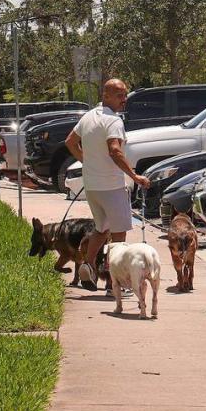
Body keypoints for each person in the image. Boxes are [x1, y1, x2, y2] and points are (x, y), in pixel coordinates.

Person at [65, 79, 150, 290]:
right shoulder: (114, 121)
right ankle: (114, 284)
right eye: (119, 95)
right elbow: (114, 150)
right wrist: (135, 176)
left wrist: (88, 162)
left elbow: (70, 142)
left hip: (92, 185)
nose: (124, 100)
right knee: (119, 236)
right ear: (106, 95)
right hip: (111, 186)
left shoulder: (88, 117)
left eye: (125, 95)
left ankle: (88, 266)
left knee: (101, 229)